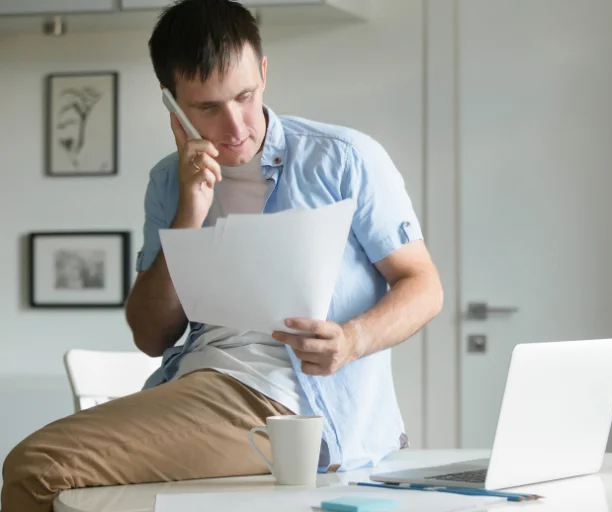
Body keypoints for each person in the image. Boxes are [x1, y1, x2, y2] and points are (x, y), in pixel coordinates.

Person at [0, 1, 443, 511]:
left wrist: (353, 339)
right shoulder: (168, 182)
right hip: (200, 385)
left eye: (246, 97)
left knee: (38, 466)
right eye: (207, 108)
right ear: (173, 107)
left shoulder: (343, 158)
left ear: (264, 72)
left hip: (292, 406)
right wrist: (190, 210)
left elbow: (423, 285)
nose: (235, 126)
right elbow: (150, 336)